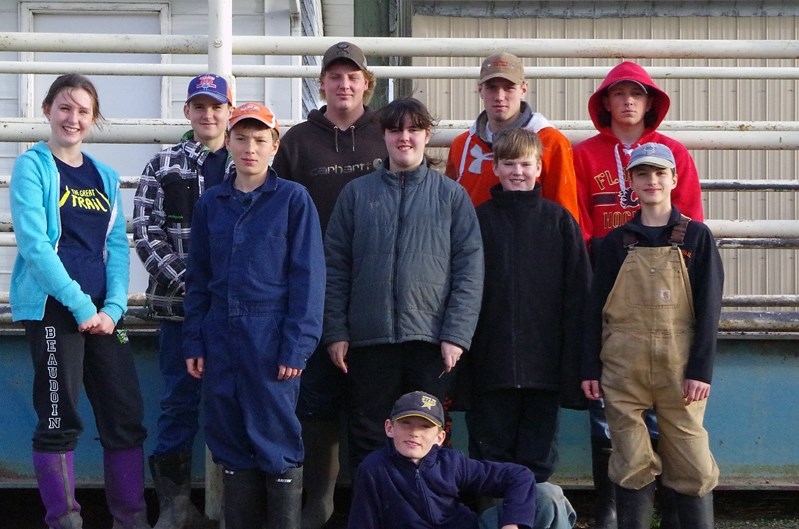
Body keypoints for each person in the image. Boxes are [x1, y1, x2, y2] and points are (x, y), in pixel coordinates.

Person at [10, 73, 149, 529]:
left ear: (93, 119)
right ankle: (63, 520)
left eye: (83, 111)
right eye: (65, 107)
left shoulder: (104, 176)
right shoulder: (33, 166)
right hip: (55, 310)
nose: (73, 118)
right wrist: (80, 305)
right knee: (58, 416)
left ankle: (129, 518)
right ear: (48, 109)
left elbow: (116, 248)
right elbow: (34, 245)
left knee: (125, 415)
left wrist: (111, 309)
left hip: (103, 316)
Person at [572, 61, 705, 529]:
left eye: (637, 93)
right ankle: (611, 511)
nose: (628, 101)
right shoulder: (584, 154)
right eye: (618, 93)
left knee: (676, 429)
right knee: (615, 422)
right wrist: (600, 261)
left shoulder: (675, 153)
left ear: (650, 102)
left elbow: (691, 223)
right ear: (605, 102)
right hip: (608, 282)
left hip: (668, 301)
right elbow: (578, 214)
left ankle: (676, 512)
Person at [324, 97, 484, 480]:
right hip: (368, 341)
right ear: (384, 136)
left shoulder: (451, 196)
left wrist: (456, 336)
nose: (404, 138)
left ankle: (429, 514)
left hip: (430, 343)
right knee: (368, 438)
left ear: (427, 135)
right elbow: (334, 267)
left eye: (414, 129)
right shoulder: (356, 194)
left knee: (428, 440)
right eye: (396, 130)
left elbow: (469, 271)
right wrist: (336, 331)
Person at [182, 102, 326, 529]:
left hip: (272, 339)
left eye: (260, 139)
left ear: (275, 146)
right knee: (228, 440)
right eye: (241, 138)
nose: (250, 148)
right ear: (227, 143)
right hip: (220, 339)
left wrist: (297, 347)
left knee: (276, 439)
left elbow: (308, 279)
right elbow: (199, 279)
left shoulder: (292, 200)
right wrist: (195, 340)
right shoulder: (212, 203)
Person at [271, 41, 387, 529]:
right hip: (312, 292)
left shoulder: (389, 135)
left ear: (367, 84)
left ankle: (371, 507)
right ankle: (316, 506)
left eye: (352, 76)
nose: (344, 84)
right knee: (315, 400)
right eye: (334, 76)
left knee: (371, 403)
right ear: (321, 84)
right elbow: (276, 214)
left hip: (377, 291)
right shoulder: (297, 141)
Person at [581, 143, 722, 529]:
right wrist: (590, 367)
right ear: (631, 182)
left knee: (693, 464)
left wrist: (701, 370)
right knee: (630, 463)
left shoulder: (696, 237)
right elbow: (595, 311)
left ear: (674, 179)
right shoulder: (615, 243)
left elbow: (709, 310)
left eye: (660, 173)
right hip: (623, 371)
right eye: (642, 174)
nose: (652, 181)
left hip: (680, 373)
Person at [464, 128, 587, 529]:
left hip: (543, 371)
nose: (518, 172)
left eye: (525, 164)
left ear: (539, 167)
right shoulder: (476, 222)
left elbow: (578, 299)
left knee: (535, 466)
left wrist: (575, 365)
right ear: (495, 168)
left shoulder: (559, 222)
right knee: (490, 461)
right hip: (490, 368)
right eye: (509, 164)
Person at [133, 72, 232, 529]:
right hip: (178, 312)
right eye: (199, 106)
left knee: (235, 403)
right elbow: (148, 236)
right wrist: (194, 285)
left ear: (229, 111)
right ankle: (174, 509)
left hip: (237, 315)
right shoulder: (164, 164)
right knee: (178, 403)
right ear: (187, 112)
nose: (208, 114)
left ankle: (237, 506)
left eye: (216, 106)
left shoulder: (247, 160)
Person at [348, 391, 536, 529]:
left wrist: (512, 524)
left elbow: (519, 475)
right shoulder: (374, 468)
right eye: (406, 423)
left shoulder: (451, 462)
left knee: (547, 496)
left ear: (440, 437)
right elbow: (362, 522)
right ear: (389, 428)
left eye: (425, 427)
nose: (414, 433)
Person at [445, 52, 579, 222]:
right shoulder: (462, 145)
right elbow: (449, 208)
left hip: (531, 245)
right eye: (491, 87)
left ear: (524, 89)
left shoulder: (551, 142)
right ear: (480, 90)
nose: (500, 97)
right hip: (474, 246)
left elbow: (566, 216)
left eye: (509, 88)